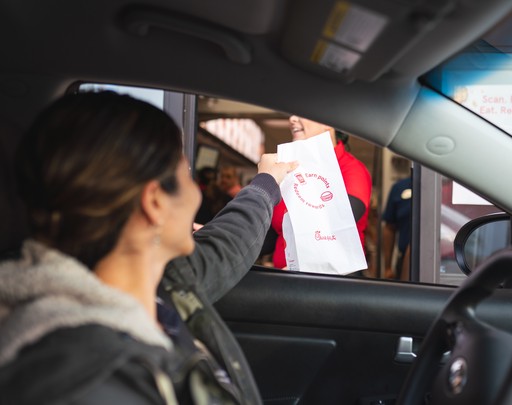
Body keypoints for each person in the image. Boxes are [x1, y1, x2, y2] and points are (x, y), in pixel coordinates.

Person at [0, 91, 297, 404]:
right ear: (154, 203)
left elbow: (227, 244)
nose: (196, 193)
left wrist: (266, 183)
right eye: (185, 174)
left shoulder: (161, 283)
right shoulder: (95, 385)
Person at [268, 115, 372, 269]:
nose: (292, 118)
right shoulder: (291, 171)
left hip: (330, 284)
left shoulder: (352, 169)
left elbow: (338, 221)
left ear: (329, 122)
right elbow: (269, 236)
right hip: (285, 280)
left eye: (300, 112)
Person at [382, 176, 412, 280]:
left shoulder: (441, 187)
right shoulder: (399, 188)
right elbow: (389, 228)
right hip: (404, 259)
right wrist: (387, 267)